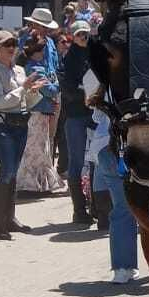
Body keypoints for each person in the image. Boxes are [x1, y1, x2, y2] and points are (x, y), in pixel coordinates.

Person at [0, 33, 47, 239]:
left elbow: (26, 102)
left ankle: (10, 219)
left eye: (14, 44)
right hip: (1, 126)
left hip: (20, 124)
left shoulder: (18, 70)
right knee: (6, 173)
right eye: (6, 44)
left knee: (13, 174)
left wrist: (33, 92)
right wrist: (23, 88)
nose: (12, 47)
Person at [87, 82, 138, 282]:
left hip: (105, 149)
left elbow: (96, 116)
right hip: (131, 148)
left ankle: (122, 268)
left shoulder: (106, 82)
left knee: (122, 208)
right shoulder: (141, 78)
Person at [15, 36, 62, 195]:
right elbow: (50, 90)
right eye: (42, 50)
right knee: (36, 149)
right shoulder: (37, 68)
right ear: (37, 52)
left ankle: (35, 184)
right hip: (38, 112)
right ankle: (29, 185)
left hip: (36, 111)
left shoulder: (28, 66)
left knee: (37, 148)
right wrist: (56, 84)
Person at [60, 22, 95, 224]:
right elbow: (67, 88)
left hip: (97, 114)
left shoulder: (96, 54)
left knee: (98, 161)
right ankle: (79, 210)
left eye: (86, 33)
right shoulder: (67, 59)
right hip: (75, 115)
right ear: (73, 36)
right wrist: (84, 93)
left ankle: (98, 207)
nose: (83, 37)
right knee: (76, 162)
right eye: (80, 34)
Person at [22, 8, 61, 73]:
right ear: (34, 24)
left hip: (51, 80)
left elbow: (55, 65)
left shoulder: (50, 42)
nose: (47, 29)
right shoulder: (25, 40)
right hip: (33, 79)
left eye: (47, 27)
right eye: (44, 26)